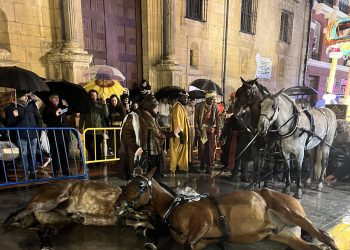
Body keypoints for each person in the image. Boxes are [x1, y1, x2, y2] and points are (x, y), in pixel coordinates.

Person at [120, 94, 179, 180]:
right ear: (150, 107)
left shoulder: (152, 119)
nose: (157, 109)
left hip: (156, 155)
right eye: (155, 107)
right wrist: (136, 147)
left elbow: (159, 133)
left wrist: (173, 133)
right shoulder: (134, 117)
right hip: (144, 155)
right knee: (143, 182)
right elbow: (126, 135)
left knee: (156, 181)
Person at [5, 92, 42, 179]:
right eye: (23, 95)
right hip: (21, 135)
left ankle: (32, 172)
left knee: (32, 154)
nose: (25, 96)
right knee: (24, 154)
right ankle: (25, 174)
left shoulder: (31, 105)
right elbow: (9, 123)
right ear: (17, 96)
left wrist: (39, 131)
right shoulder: (12, 107)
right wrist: (15, 117)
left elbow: (38, 118)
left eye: (26, 95)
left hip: (33, 134)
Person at [42, 93, 71, 176]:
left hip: (64, 134)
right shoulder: (47, 108)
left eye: (58, 97)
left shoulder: (61, 108)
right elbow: (46, 120)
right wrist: (55, 115)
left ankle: (66, 170)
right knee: (55, 154)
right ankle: (56, 170)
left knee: (65, 153)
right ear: (50, 98)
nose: (57, 99)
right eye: (55, 97)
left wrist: (67, 105)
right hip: (55, 135)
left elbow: (68, 111)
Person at [195, 90, 221, 174]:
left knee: (210, 149)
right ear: (207, 98)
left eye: (214, 98)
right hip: (202, 129)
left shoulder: (215, 106)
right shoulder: (199, 106)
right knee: (202, 148)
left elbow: (218, 118)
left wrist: (217, 130)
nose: (214, 100)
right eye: (212, 98)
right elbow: (195, 119)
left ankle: (208, 166)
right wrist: (197, 129)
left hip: (211, 130)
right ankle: (202, 162)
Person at [79, 90, 109, 164]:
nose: (94, 97)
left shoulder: (100, 104)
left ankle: (98, 162)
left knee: (97, 146)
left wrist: (104, 105)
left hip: (98, 129)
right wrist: (80, 127)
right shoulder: (85, 105)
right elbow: (82, 117)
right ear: (90, 96)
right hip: (88, 129)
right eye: (92, 95)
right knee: (87, 145)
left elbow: (106, 115)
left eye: (95, 95)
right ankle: (93, 158)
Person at [169, 91, 192, 174]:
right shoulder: (177, 108)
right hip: (178, 134)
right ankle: (175, 167)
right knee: (177, 150)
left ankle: (181, 166)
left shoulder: (181, 107)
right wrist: (180, 134)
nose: (186, 100)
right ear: (179, 98)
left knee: (182, 151)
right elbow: (177, 122)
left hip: (182, 133)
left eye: (187, 98)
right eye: (184, 98)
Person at [186, 97, 197, 169]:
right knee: (188, 144)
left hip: (194, 128)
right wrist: (190, 113)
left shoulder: (195, 108)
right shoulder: (186, 107)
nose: (193, 103)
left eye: (194, 101)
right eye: (192, 101)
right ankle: (188, 160)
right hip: (189, 127)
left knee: (192, 145)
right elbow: (185, 117)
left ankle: (191, 159)